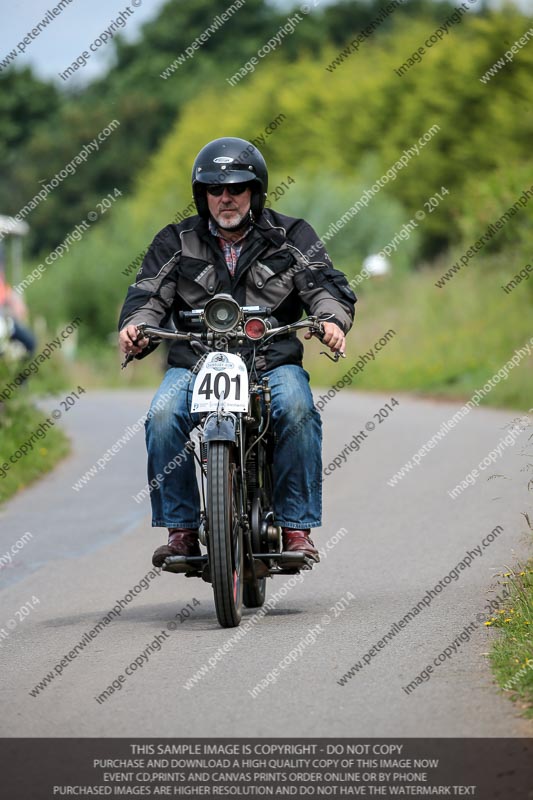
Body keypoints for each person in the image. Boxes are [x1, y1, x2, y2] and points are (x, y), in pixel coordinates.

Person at [118, 137, 356, 568]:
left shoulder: (290, 236)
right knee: (162, 415)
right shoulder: (175, 241)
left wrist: (332, 321)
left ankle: (296, 528)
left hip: (271, 359)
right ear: (202, 194)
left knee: (298, 409)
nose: (225, 197)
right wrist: (136, 328)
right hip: (196, 360)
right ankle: (182, 530)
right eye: (215, 189)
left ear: (256, 191)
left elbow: (324, 286)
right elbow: (148, 295)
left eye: (237, 187)